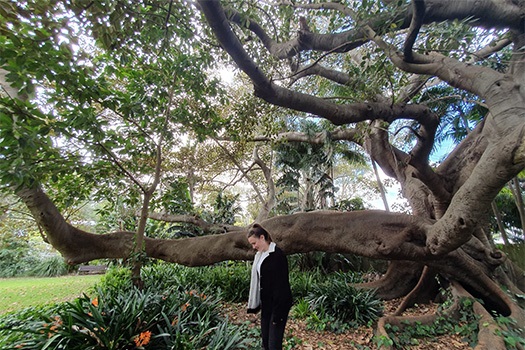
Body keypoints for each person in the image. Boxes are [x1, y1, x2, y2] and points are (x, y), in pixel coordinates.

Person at [247, 223, 293, 350]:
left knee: (274, 345)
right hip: (266, 305)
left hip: (279, 305)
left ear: (262, 237)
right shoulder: (260, 256)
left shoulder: (278, 255)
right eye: (251, 244)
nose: (253, 247)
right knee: (265, 343)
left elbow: (282, 286)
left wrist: (277, 315)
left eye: (254, 243)